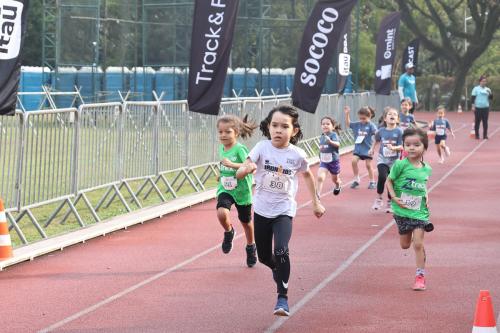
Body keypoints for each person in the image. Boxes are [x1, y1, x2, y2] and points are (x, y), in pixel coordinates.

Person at [236, 104, 325, 316]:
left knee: (282, 249)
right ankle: (277, 268)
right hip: (262, 210)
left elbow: (307, 175)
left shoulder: (297, 155)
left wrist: (315, 202)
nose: (278, 130)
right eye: (274, 125)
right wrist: (245, 169)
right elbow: (243, 169)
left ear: (293, 131)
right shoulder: (261, 147)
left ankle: (282, 298)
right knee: (265, 257)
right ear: (268, 127)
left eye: (284, 126)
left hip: (284, 210)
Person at [386, 127, 434, 291]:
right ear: (404, 147)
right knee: (405, 245)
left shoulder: (427, 168)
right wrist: (393, 197)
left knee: (418, 244)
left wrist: (426, 195)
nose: (411, 148)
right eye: (408, 145)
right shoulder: (400, 164)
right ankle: (415, 239)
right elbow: (389, 181)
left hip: (420, 211)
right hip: (402, 211)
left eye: (416, 145)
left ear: (424, 147)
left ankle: (420, 276)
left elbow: (423, 185)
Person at [216, 115, 259, 267]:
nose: (223, 135)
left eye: (227, 132)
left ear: (236, 132)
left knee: (246, 222)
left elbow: (247, 165)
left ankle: (251, 246)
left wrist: (232, 164)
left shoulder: (240, 149)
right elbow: (224, 164)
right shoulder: (222, 147)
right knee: (221, 212)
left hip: (242, 190)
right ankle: (229, 232)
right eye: (220, 132)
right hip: (225, 188)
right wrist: (220, 173)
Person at [369, 108, 403, 213]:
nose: (392, 115)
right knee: (382, 176)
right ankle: (379, 198)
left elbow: (402, 146)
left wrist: (394, 148)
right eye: (389, 114)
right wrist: (372, 148)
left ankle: (390, 201)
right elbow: (376, 138)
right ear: (385, 118)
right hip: (382, 158)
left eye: (395, 114)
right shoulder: (381, 131)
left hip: (394, 160)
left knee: (391, 180)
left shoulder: (399, 131)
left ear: (397, 119)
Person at [344, 105, 377, 189]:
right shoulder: (357, 124)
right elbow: (348, 124)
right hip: (358, 149)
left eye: (364, 118)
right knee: (353, 161)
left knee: (368, 165)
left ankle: (372, 181)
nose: (362, 120)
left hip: (367, 149)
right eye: (360, 118)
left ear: (369, 117)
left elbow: (376, 134)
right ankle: (356, 179)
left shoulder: (371, 125)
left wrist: (372, 147)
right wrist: (347, 114)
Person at [316, 117, 342, 197]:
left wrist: (330, 142)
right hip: (324, 162)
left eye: (328, 124)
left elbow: (338, 144)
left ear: (333, 127)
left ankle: (338, 185)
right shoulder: (322, 136)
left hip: (333, 162)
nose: (325, 125)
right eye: (323, 124)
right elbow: (322, 148)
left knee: (335, 180)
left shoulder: (333, 135)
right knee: (320, 177)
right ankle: (317, 196)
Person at [471, 75, 493, 140]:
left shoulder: (488, 89)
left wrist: (490, 93)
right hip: (478, 108)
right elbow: (473, 98)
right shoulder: (476, 89)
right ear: (480, 82)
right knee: (477, 122)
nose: (484, 82)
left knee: (485, 122)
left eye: (485, 81)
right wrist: (473, 106)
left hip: (485, 108)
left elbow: (491, 98)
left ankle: (485, 135)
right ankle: (477, 135)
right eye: (483, 81)